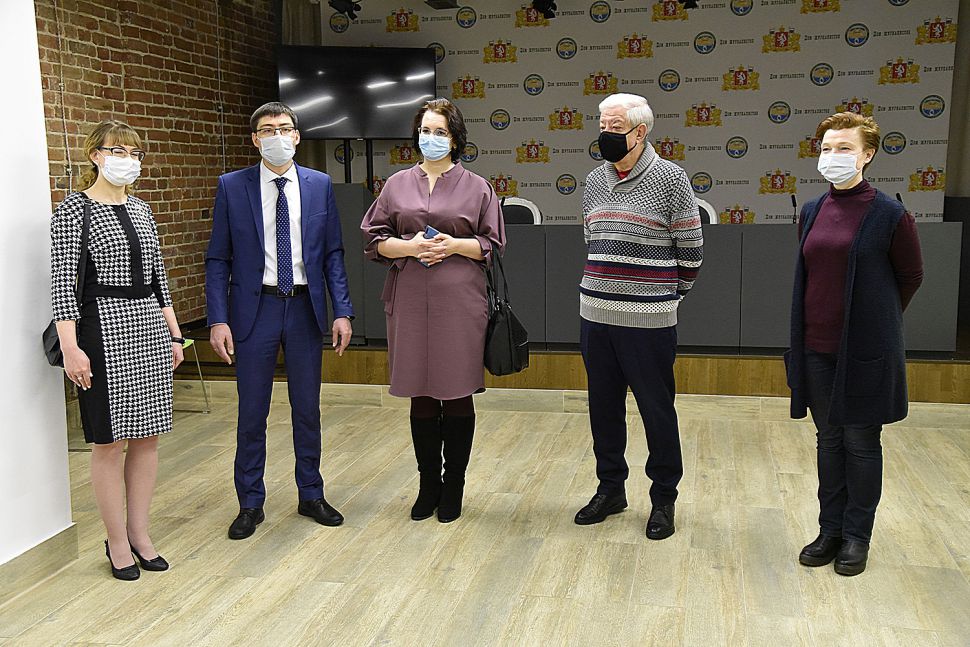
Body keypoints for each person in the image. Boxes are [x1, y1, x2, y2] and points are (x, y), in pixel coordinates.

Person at [205, 102, 354, 540]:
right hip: (255, 311)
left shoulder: (319, 184)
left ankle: (311, 493)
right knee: (252, 411)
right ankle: (250, 502)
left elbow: (333, 253)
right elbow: (218, 258)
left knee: (307, 408)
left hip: (305, 309)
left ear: (297, 136)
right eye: (267, 130)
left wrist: (342, 310)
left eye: (284, 128)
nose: (277, 136)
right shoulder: (232, 186)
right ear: (255, 139)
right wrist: (217, 319)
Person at [788, 112, 923, 576]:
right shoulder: (811, 210)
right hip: (815, 347)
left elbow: (910, 276)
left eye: (844, 148)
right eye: (826, 148)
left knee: (861, 442)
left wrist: (875, 322)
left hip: (864, 350)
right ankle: (829, 530)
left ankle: (856, 537)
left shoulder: (890, 214)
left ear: (867, 155)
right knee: (829, 440)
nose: (833, 156)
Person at [361, 98, 505, 523]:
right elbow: (374, 239)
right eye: (425, 130)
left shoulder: (478, 187)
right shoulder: (395, 185)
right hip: (408, 298)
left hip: (460, 302)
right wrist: (410, 247)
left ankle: (453, 485)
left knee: (456, 391)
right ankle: (428, 485)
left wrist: (454, 244)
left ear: (455, 139)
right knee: (420, 392)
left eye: (440, 132)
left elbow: (493, 244)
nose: (431, 138)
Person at [51, 120, 183, 580]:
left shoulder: (142, 209)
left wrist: (174, 334)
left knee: (148, 437)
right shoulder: (75, 209)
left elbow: (159, 278)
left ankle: (140, 532)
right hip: (101, 328)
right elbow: (63, 282)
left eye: (134, 152)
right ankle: (116, 540)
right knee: (108, 441)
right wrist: (70, 346)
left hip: (148, 327)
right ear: (95, 155)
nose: (127, 159)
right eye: (117, 150)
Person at [574, 93, 702, 540]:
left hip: (648, 321)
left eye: (614, 128)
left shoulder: (670, 178)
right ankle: (610, 489)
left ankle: (663, 498)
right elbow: (592, 237)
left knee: (656, 411)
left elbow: (691, 251)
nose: (605, 135)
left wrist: (664, 298)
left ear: (640, 131)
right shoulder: (594, 179)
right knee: (603, 409)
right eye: (602, 126)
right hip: (596, 315)